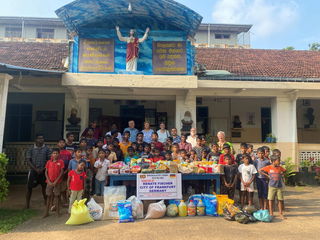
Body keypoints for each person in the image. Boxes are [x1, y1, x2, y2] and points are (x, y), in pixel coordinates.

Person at [25, 134, 51, 209]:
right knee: (29, 187)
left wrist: (43, 168)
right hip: (33, 171)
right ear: (35, 140)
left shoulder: (47, 149)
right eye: (39, 138)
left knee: (44, 187)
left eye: (42, 138)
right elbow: (28, 160)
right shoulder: (31, 148)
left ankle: (46, 202)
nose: (41, 140)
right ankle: (27, 204)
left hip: (43, 171)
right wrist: (35, 169)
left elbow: (49, 159)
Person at [43, 149, 64, 217]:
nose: (55, 154)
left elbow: (61, 172)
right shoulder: (48, 162)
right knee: (48, 196)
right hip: (49, 182)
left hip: (57, 182)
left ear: (59, 154)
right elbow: (46, 172)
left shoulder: (61, 162)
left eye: (56, 153)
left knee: (57, 196)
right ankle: (46, 212)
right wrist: (48, 181)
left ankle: (58, 212)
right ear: (51, 154)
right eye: (54, 153)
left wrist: (56, 181)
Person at [57, 139, 72, 206]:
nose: (62, 144)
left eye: (63, 142)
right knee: (57, 187)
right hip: (56, 173)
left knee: (64, 187)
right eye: (60, 142)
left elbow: (69, 163)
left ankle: (65, 200)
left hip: (65, 173)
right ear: (58, 144)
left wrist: (66, 171)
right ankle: (58, 201)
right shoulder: (55, 152)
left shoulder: (68, 153)